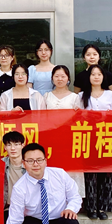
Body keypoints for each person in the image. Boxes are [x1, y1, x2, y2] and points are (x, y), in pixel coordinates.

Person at [79, 65, 112, 220]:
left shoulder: (109, 95)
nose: (96, 77)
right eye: (93, 74)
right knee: (90, 174)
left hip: (106, 137)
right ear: (88, 77)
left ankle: (103, 207)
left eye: (99, 74)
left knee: (106, 173)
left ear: (103, 77)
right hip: (88, 138)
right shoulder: (81, 95)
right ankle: (91, 207)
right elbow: (78, 117)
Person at [44, 65, 84, 197]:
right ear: (52, 78)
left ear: (68, 79)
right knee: (53, 168)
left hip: (69, 139)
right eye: (56, 76)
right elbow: (41, 118)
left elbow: (80, 120)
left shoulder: (75, 97)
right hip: (51, 139)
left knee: (70, 169)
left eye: (63, 76)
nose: (60, 79)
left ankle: (73, 199)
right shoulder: (47, 96)